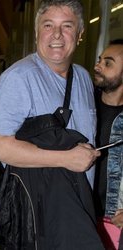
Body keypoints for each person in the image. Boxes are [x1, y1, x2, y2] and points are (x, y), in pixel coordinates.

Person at [0, 0, 104, 249]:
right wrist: (65, 159)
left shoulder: (82, 77)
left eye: (67, 26)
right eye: (48, 25)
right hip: (37, 216)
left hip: (78, 206)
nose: (57, 34)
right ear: (38, 32)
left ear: (80, 34)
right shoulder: (19, 78)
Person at [93, 39, 123, 250]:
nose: (98, 66)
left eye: (108, 63)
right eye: (99, 60)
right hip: (80, 213)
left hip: (115, 220)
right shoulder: (83, 105)